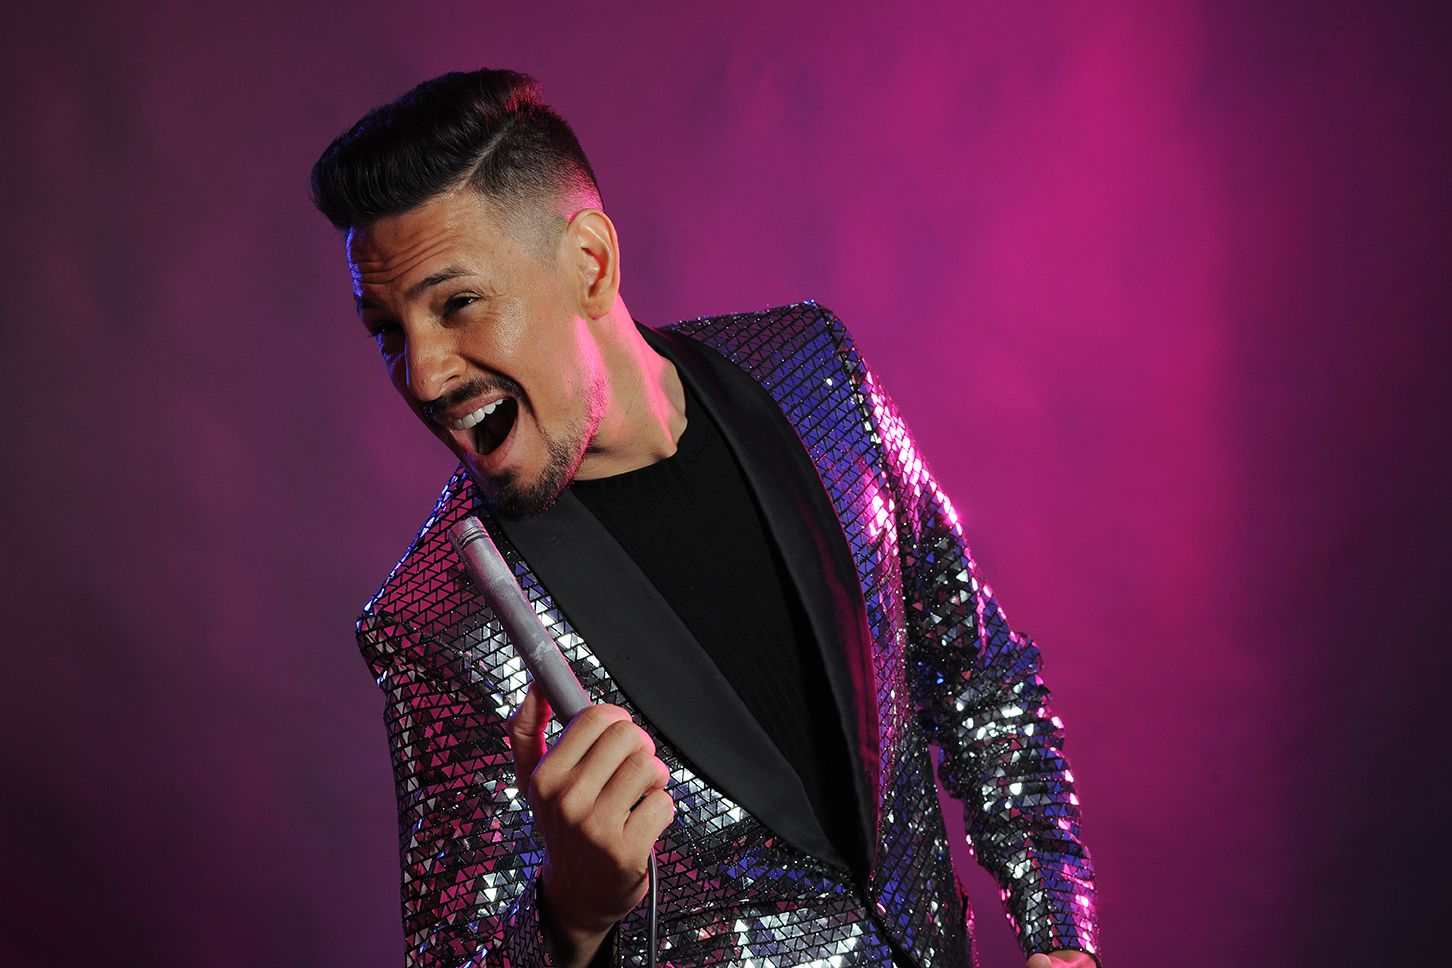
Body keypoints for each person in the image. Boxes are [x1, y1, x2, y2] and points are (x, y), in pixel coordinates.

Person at [310, 68, 1099, 968]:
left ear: (590, 265)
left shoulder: (812, 371)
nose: (422, 373)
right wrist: (570, 918)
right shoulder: (433, 620)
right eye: (387, 328)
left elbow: (978, 672)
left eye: (457, 304)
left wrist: (1061, 934)